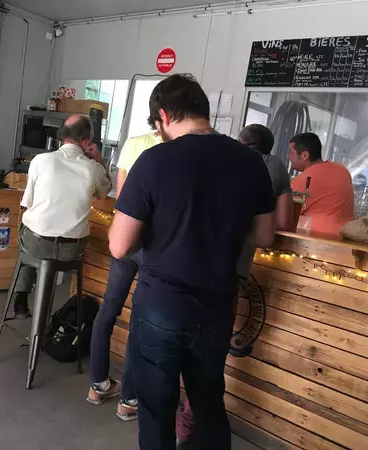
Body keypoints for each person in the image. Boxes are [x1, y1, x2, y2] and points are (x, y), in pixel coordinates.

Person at [108, 74, 276, 449]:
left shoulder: (154, 160)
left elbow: (119, 246)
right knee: (208, 405)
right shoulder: (250, 161)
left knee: (156, 410)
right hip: (217, 306)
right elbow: (265, 236)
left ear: (164, 116)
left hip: (161, 304)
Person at [175, 124, 293, 449]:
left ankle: (181, 421)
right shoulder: (273, 168)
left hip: (188, 264)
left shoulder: (215, 157)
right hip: (232, 271)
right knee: (211, 351)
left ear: (241, 141)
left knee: (178, 342)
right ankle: (192, 422)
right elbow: (279, 226)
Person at [86, 130, 162, 422]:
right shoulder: (176, 147)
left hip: (125, 234)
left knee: (108, 308)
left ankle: (98, 385)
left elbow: (120, 195)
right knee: (140, 320)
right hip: (153, 244)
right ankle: (129, 400)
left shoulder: (134, 143)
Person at [12, 115, 111, 318]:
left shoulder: (41, 161)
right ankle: (57, 314)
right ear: (86, 141)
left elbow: (27, 204)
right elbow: (105, 191)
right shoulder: (93, 168)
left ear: (62, 136)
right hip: (71, 250)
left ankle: (21, 298)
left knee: (28, 233)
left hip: (37, 244)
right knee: (38, 234)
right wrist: (99, 160)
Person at [289, 132, 354, 235]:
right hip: (346, 236)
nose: (288, 156)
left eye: (291, 152)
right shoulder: (341, 170)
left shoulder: (304, 180)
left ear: (304, 155)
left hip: (316, 237)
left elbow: (286, 215)